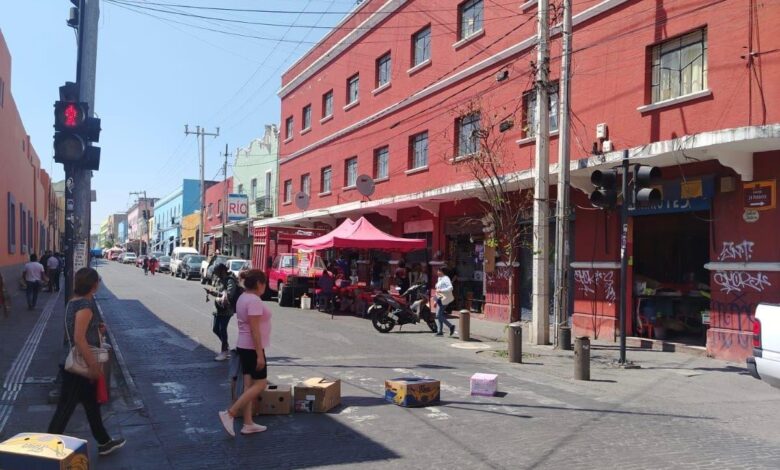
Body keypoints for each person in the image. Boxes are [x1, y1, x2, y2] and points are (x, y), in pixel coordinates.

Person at [48, 267, 126, 455]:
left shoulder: (73, 301)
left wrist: (97, 331)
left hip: (75, 359)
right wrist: (93, 367)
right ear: (93, 285)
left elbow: (79, 332)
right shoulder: (84, 306)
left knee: (91, 404)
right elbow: (79, 338)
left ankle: (104, 441)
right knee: (65, 408)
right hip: (79, 365)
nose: (98, 283)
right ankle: (48, 448)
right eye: (97, 281)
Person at [219, 269, 272, 437]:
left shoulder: (242, 297)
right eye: (264, 283)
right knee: (260, 384)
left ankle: (248, 423)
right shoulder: (254, 300)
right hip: (251, 347)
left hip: (243, 345)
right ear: (258, 283)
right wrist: (259, 354)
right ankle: (231, 413)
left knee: (248, 386)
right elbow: (254, 330)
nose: (265, 286)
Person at [208, 264, 240, 362]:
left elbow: (229, 295)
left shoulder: (230, 280)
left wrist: (217, 295)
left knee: (222, 329)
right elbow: (220, 292)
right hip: (219, 308)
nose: (215, 274)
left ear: (222, 271)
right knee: (215, 329)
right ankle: (226, 346)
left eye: (217, 272)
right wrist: (212, 292)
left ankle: (224, 351)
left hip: (227, 309)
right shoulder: (220, 279)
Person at [433, 267, 456, 337]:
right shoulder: (439, 279)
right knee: (439, 315)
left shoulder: (446, 278)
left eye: (438, 271)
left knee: (438, 315)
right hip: (440, 299)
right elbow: (437, 289)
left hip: (445, 299)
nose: (437, 272)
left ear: (442, 271)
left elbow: (450, 288)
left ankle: (451, 326)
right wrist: (435, 300)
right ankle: (440, 331)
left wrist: (441, 291)